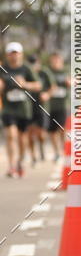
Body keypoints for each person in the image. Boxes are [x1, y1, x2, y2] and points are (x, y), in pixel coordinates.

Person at [0, 42, 41, 177]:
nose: (14, 56)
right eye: (11, 53)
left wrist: (25, 84)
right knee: (11, 136)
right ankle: (11, 166)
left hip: (24, 109)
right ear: (7, 55)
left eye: (16, 53)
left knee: (22, 138)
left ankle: (20, 162)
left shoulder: (26, 69)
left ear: (21, 54)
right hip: (8, 109)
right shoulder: (2, 69)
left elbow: (38, 85)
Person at [26, 53, 53, 164]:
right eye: (31, 63)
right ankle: (33, 156)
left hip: (42, 107)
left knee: (41, 134)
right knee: (30, 134)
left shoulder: (44, 73)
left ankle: (41, 146)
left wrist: (47, 94)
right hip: (28, 107)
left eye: (35, 62)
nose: (33, 65)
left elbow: (53, 86)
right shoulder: (26, 73)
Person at [47, 52, 70, 161]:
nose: (55, 62)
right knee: (51, 131)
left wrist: (70, 82)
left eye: (57, 59)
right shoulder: (48, 72)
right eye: (54, 60)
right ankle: (56, 152)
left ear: (61, 60)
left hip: (63, 105)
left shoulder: (66, 71)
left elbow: (76, 80)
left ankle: (63, 149)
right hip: (50, 106)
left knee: (62, 128)